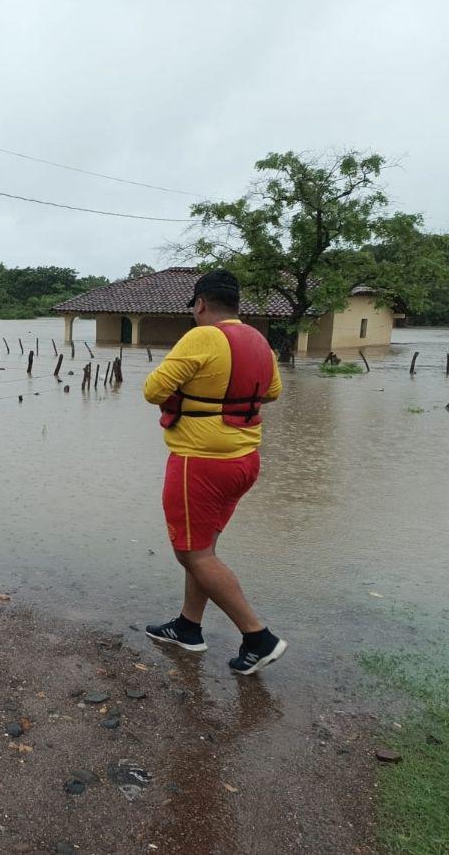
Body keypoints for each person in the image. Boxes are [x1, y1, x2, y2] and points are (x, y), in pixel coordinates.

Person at [141, 269, 286, 675]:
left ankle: (258, 636)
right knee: (203, 549)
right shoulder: (258, 338)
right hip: (244, 460)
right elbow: (273, 391)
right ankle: (188, 627)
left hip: (199, 463)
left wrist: (194, 390)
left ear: (201, 303)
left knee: (192, 552)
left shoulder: (202, 336)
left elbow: (152, 390)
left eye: (195, 308)